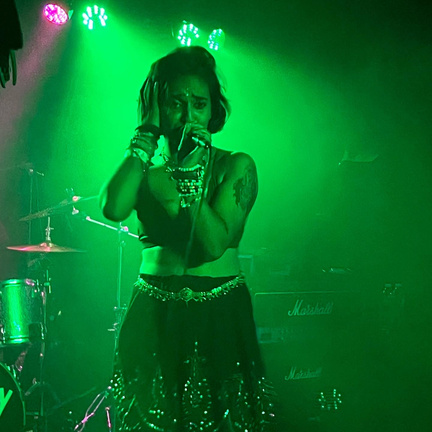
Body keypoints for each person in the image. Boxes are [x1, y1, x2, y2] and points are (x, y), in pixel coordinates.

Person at [100, 46, 275, 431]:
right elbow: (112, 207)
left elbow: (212, 244)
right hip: (152, 310)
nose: (189, 116)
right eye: (176, 103)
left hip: (219, 311)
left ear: (213, 110)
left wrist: (191, 178)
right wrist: (146, 136)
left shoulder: (236, 166)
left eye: (199, 104)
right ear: (158, 107)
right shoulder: (145, 171)